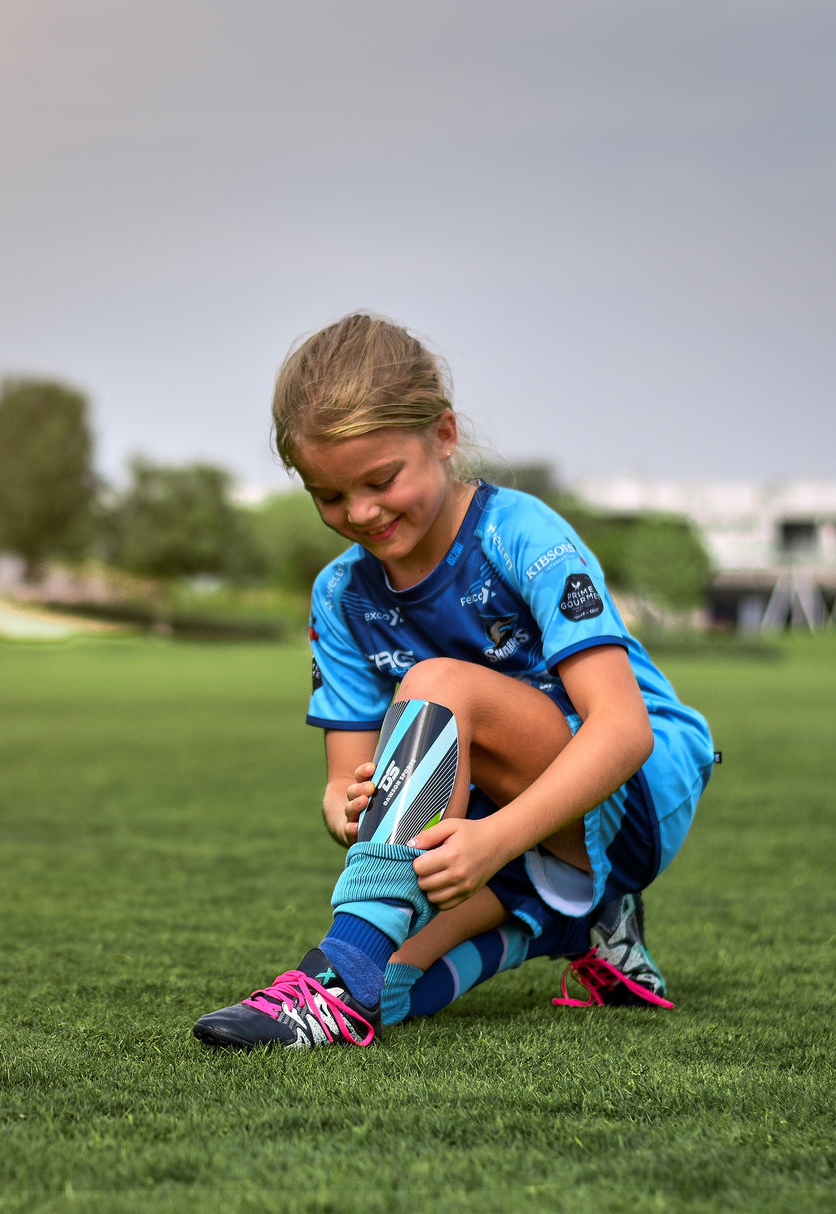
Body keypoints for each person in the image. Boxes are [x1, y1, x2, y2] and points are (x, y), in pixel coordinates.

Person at [193, 313, 714, 1050]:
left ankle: (340, 968)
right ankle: (564, 927)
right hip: (487, 816)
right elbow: (344, 784)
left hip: (628, 798)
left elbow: (623, 731)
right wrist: (347, 809)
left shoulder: (521, 534)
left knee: (441, 682)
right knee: (391, 986)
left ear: (443, 434)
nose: (361, 513)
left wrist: (496, 840)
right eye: (330, 496)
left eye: (381, 481)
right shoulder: (338, 596)